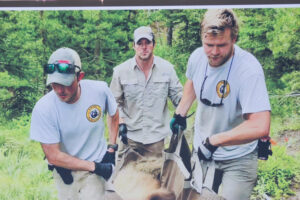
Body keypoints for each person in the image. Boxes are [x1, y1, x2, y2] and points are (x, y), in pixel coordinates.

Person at [170, 9, 271, 200]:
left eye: (222, 45)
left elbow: (260, 125)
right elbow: (192, 83)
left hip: (239, 157)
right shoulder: (197, 57)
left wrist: (215, 141)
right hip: (203, 155)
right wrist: (180, 112)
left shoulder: (249, 70)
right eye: (209, 45)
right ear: (202, 38)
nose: (214, 52)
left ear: (234, 39)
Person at [30, 47, 119, 200]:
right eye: (54, 84)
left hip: (95, 171)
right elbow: (53, 155)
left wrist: (111, 147)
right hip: (66, 172)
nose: (59, 90)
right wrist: (94, 166)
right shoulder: (44, 108)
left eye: (65, 83)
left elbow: (114, 114)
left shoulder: (99, 91)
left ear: (80, 77)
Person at [110, 26, 183, 160]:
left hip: (157, 140)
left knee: (156, 179)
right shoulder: (120, 71)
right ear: (134, 46)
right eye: (140, 43)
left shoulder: (167, 69)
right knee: (123, 179)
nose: (144, 47)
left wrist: (180, 115)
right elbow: (113, 103)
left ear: (154, 45)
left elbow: (179, 98)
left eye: (147, 43)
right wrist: (121, 123)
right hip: (129, 138)